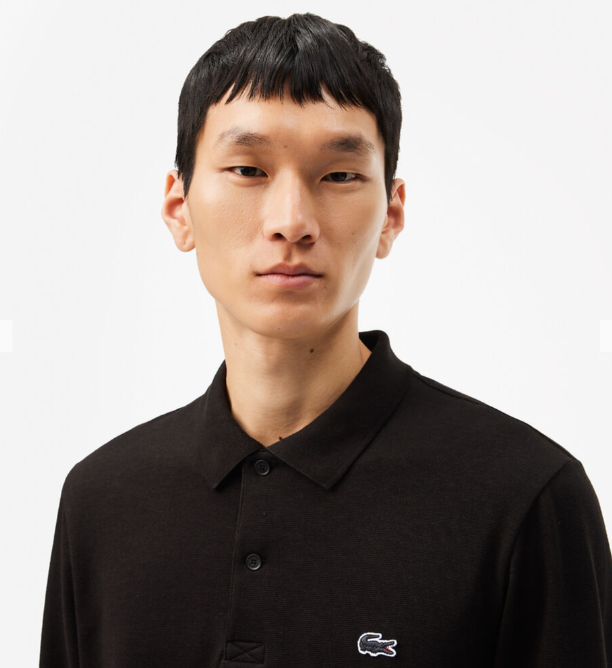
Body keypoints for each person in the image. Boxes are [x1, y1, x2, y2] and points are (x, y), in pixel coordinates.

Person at [39, 12, 612, 667]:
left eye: (339, 176)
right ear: (180, 208)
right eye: (248, 169)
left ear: (391, 214)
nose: (291, 222)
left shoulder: (525, 497)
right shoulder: (101, 501)